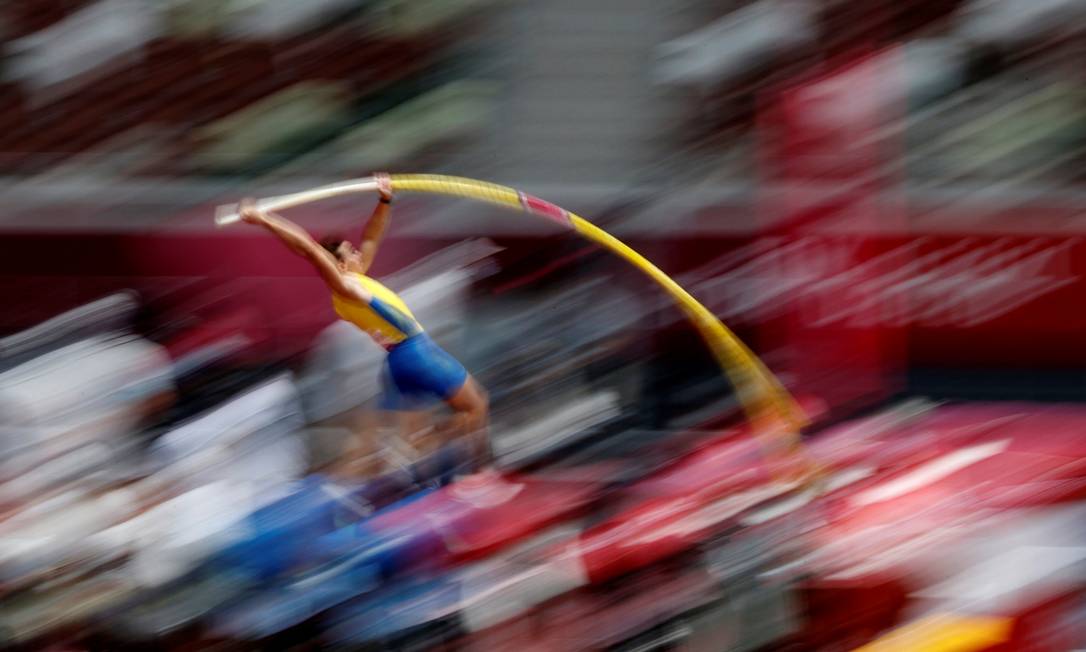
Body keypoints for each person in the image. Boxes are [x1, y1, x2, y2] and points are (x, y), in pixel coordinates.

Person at [236, 173, 489, 468]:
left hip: (401, 360)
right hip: (416, 352)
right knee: (475, 407)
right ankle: (478, 474)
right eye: (350, 252)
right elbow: (308, 248)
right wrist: (263, 219)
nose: (358, 251)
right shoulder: (347, 288)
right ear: (340, 264)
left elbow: (371, 236)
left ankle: (417, 454)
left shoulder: (356, 279)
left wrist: (385, 199)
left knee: (420, 435)